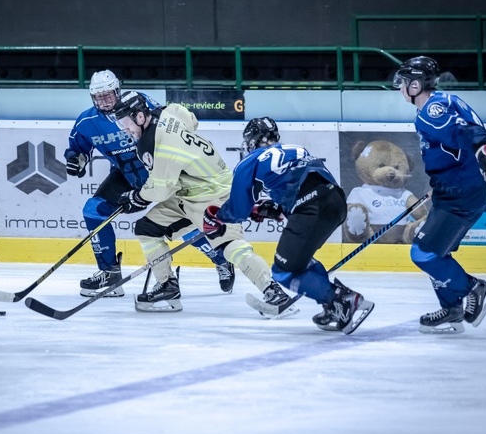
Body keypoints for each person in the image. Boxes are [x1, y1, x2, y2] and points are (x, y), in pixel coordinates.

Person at [110, 91, 297, 316]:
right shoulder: (169, 113)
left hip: (214, 195)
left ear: (140, 117)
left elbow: (160, 189)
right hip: (188, 194)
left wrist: (136, 197)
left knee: (230, 245)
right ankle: (167, 286)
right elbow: (191, 120)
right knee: (146, 228)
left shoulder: (157, 145)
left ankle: (273, 291)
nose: (124, 128)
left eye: (125, 122)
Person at [64, 70, 235, 298]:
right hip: (125, 176)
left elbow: (164, 125)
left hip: (159, 174)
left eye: (108, 95)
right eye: (99, 97)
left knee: (183, 225)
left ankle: (221, 259)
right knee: (93, 211)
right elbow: (78, 149)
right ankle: (109, 272)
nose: (105, 101)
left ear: (118, 91)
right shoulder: (86, 122)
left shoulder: (137, 103)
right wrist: (77, 160)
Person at [201, 117, 375, 335]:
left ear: (252, 142)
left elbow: (238, 210)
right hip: (337, 203)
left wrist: (217, 218)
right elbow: (303, 183)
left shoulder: (249, 161)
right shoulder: (297, 149)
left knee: (284, 271)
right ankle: (333, 306)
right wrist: (273, 208)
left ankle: (341, 300)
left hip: (311, 208)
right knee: (300, 261)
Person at [393, 56, 486, 334]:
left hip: (461, 195)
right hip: (452, 191)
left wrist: (484, 149)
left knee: (423, 254)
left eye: (404, 83)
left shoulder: (432, 110)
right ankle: (453, 309)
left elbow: (464, 130)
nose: (400, 88)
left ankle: (474, 288)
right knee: (437, 254)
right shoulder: (440, 103)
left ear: (416, 85)